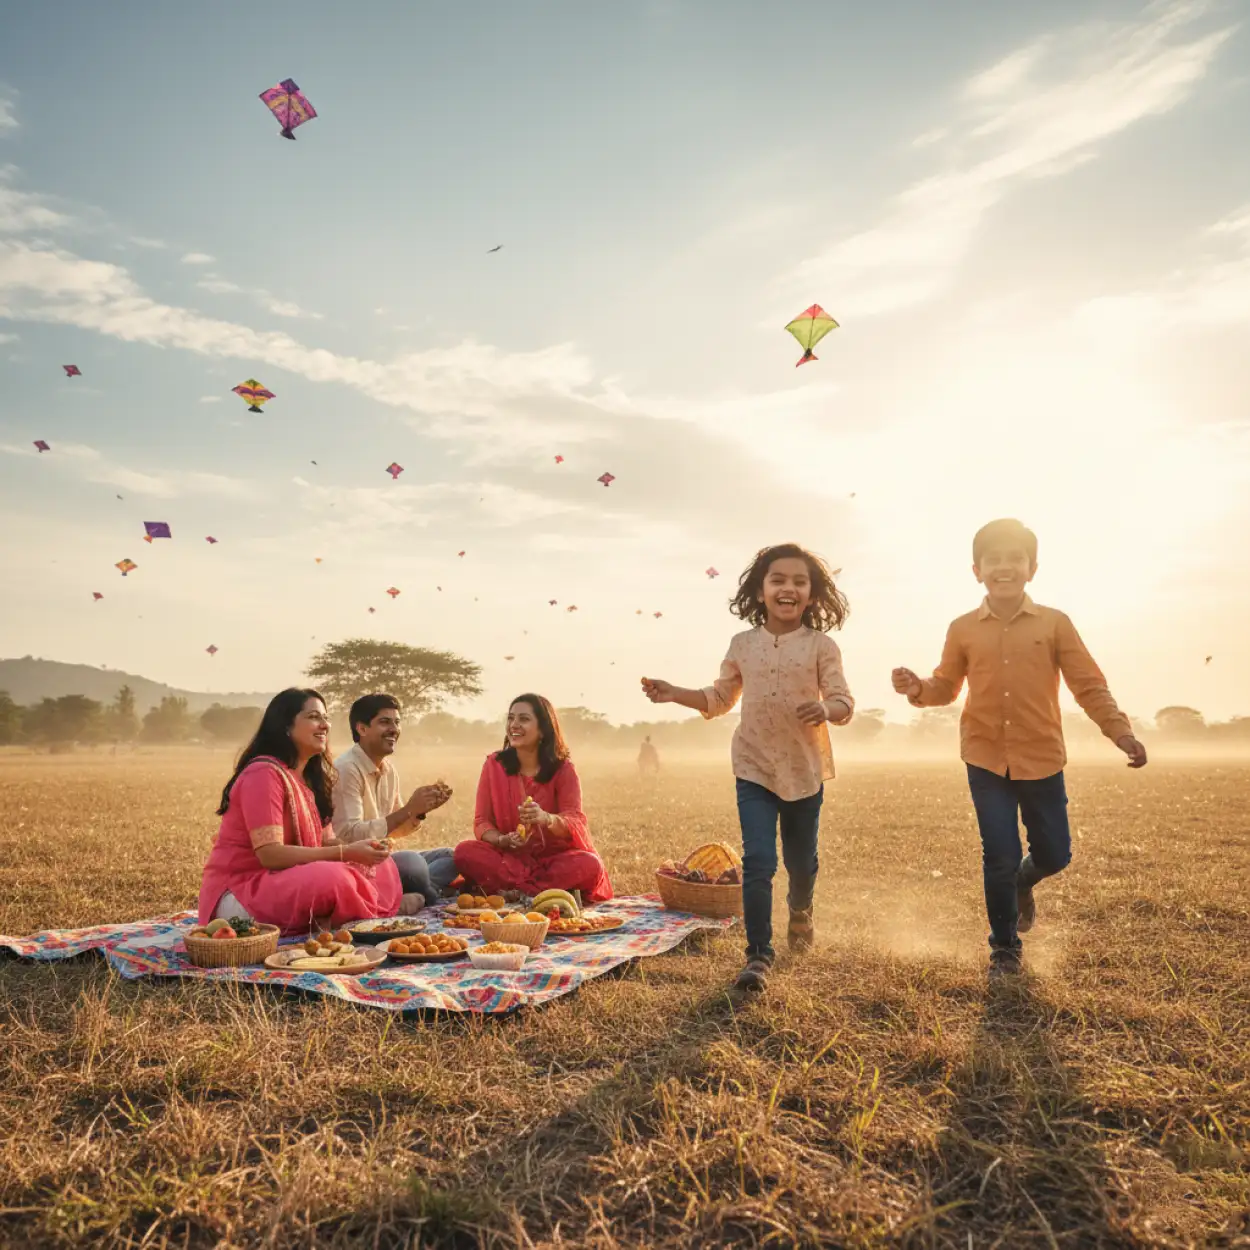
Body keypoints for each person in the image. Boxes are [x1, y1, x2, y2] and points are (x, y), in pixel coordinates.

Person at [891, 518, 1147, 977]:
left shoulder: (1055, 623)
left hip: (1041, 756)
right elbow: (946, 685)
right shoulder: (962, 628)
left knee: (1055, 853)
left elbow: (1088, 685)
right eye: (993, 559)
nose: (1004, 567)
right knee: (999, 854)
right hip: (985, 756)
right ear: (977, 571)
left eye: (1015, 558)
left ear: (1032, 568)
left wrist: (1120, 732)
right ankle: (1005, 948)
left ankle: (1025, 882)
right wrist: (918, 689)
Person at [642, 542, 854, 994]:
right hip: (753, 765)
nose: (788, 588)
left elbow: (843, 701)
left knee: (801, 862)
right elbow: (720, 698)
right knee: (758, 860)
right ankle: (758, 955)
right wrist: (674, 692)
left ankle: (801, 911)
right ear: (760, 591)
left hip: (804, 770)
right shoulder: (742, 645)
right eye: (778, 580)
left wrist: (825, 709)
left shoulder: (822, 646)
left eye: (799, 582)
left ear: (811, 595)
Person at [197, 688, 403, 935]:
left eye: (326, 718)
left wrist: (362, 849)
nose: (325, 725)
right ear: (286, 725)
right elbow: (270, 855)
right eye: (314, 717)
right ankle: (357, 917)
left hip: (289, 879)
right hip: (243, 891)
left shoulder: (309, 779)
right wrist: (345, 852)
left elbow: (327, 842)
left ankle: (347, 917)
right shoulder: (263, 773)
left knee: (382, 866)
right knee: (332, 878)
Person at [453, 694, 612, 904]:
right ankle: (539, 892)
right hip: (509, 860)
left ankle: (518, 891)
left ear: (543, 729)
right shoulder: (494, 765)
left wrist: (546, 818)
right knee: (464, 852)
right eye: (511, 718)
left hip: (553, 861)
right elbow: (482, 821)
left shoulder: (564, 770)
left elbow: (575, 820)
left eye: (524, 719)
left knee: (590, 865)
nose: (514, 725)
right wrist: (502, 840)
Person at [332, 693, 457, 908]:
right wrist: (409, 808)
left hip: (385, 860)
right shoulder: (346, 769)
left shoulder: (388, 770)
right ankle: (427, 894)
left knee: (453, 857)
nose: (394, 729)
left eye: (397, 722)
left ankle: (413, 891)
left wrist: (419, 811)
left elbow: (395, 829)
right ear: (362, 729)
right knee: (412, 864)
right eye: (385, 722)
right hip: (356, 866)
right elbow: (349, 835)